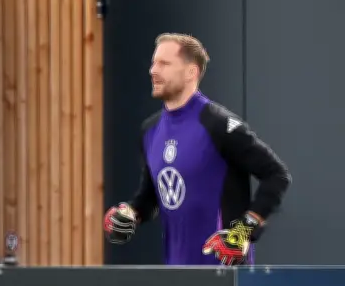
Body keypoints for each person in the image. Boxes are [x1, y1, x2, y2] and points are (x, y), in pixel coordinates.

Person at [103, 33, 291, 266]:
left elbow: (277, 175)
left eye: (164, 64)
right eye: (153, 63)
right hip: (175, 271)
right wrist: (131, 213)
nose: (153, 71)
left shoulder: (218, 124)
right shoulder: (150, 131)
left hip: (223, 273)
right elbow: (151, 196)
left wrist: (245, 229)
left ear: (191, 72)